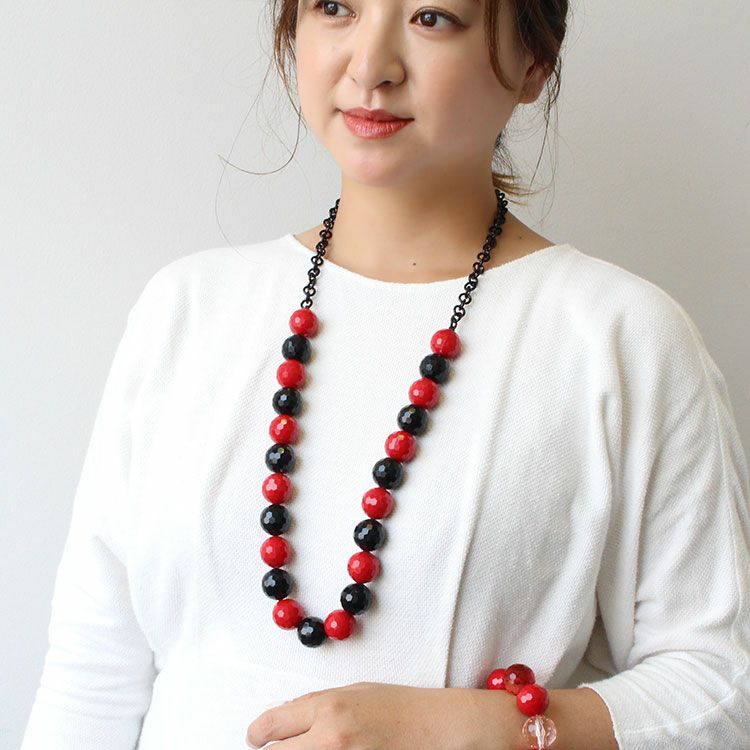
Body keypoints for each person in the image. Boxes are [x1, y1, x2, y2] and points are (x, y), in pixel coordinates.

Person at [21, 0, 750, 748]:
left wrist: (468, 728)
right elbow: (92, 676)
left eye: (433, 17)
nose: (370, 66)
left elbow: (721, 692)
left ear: (534, 61)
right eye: (334, 6)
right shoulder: (187, 308)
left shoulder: (620, 336)